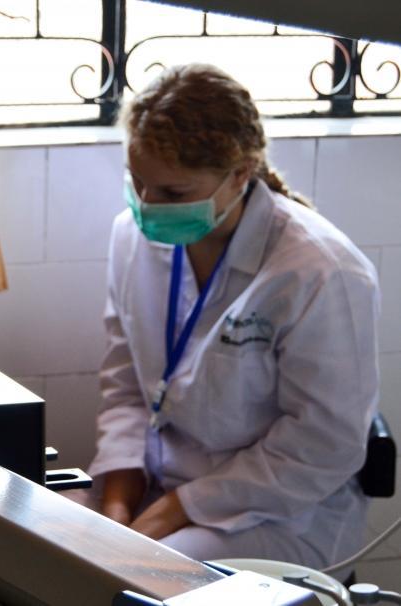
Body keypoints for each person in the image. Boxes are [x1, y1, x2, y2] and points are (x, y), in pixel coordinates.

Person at [86, 64, 379, 573]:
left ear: (240, 175)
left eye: (173, 194)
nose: (147, 207)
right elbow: (127, 386)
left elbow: (321, 447)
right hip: (158, 489)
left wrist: (175, 511)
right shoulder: (132, 238)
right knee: (46, 548)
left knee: (142, 581)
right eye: (138, 184)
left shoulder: (319, 271)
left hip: (280, 515)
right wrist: (115, 504)